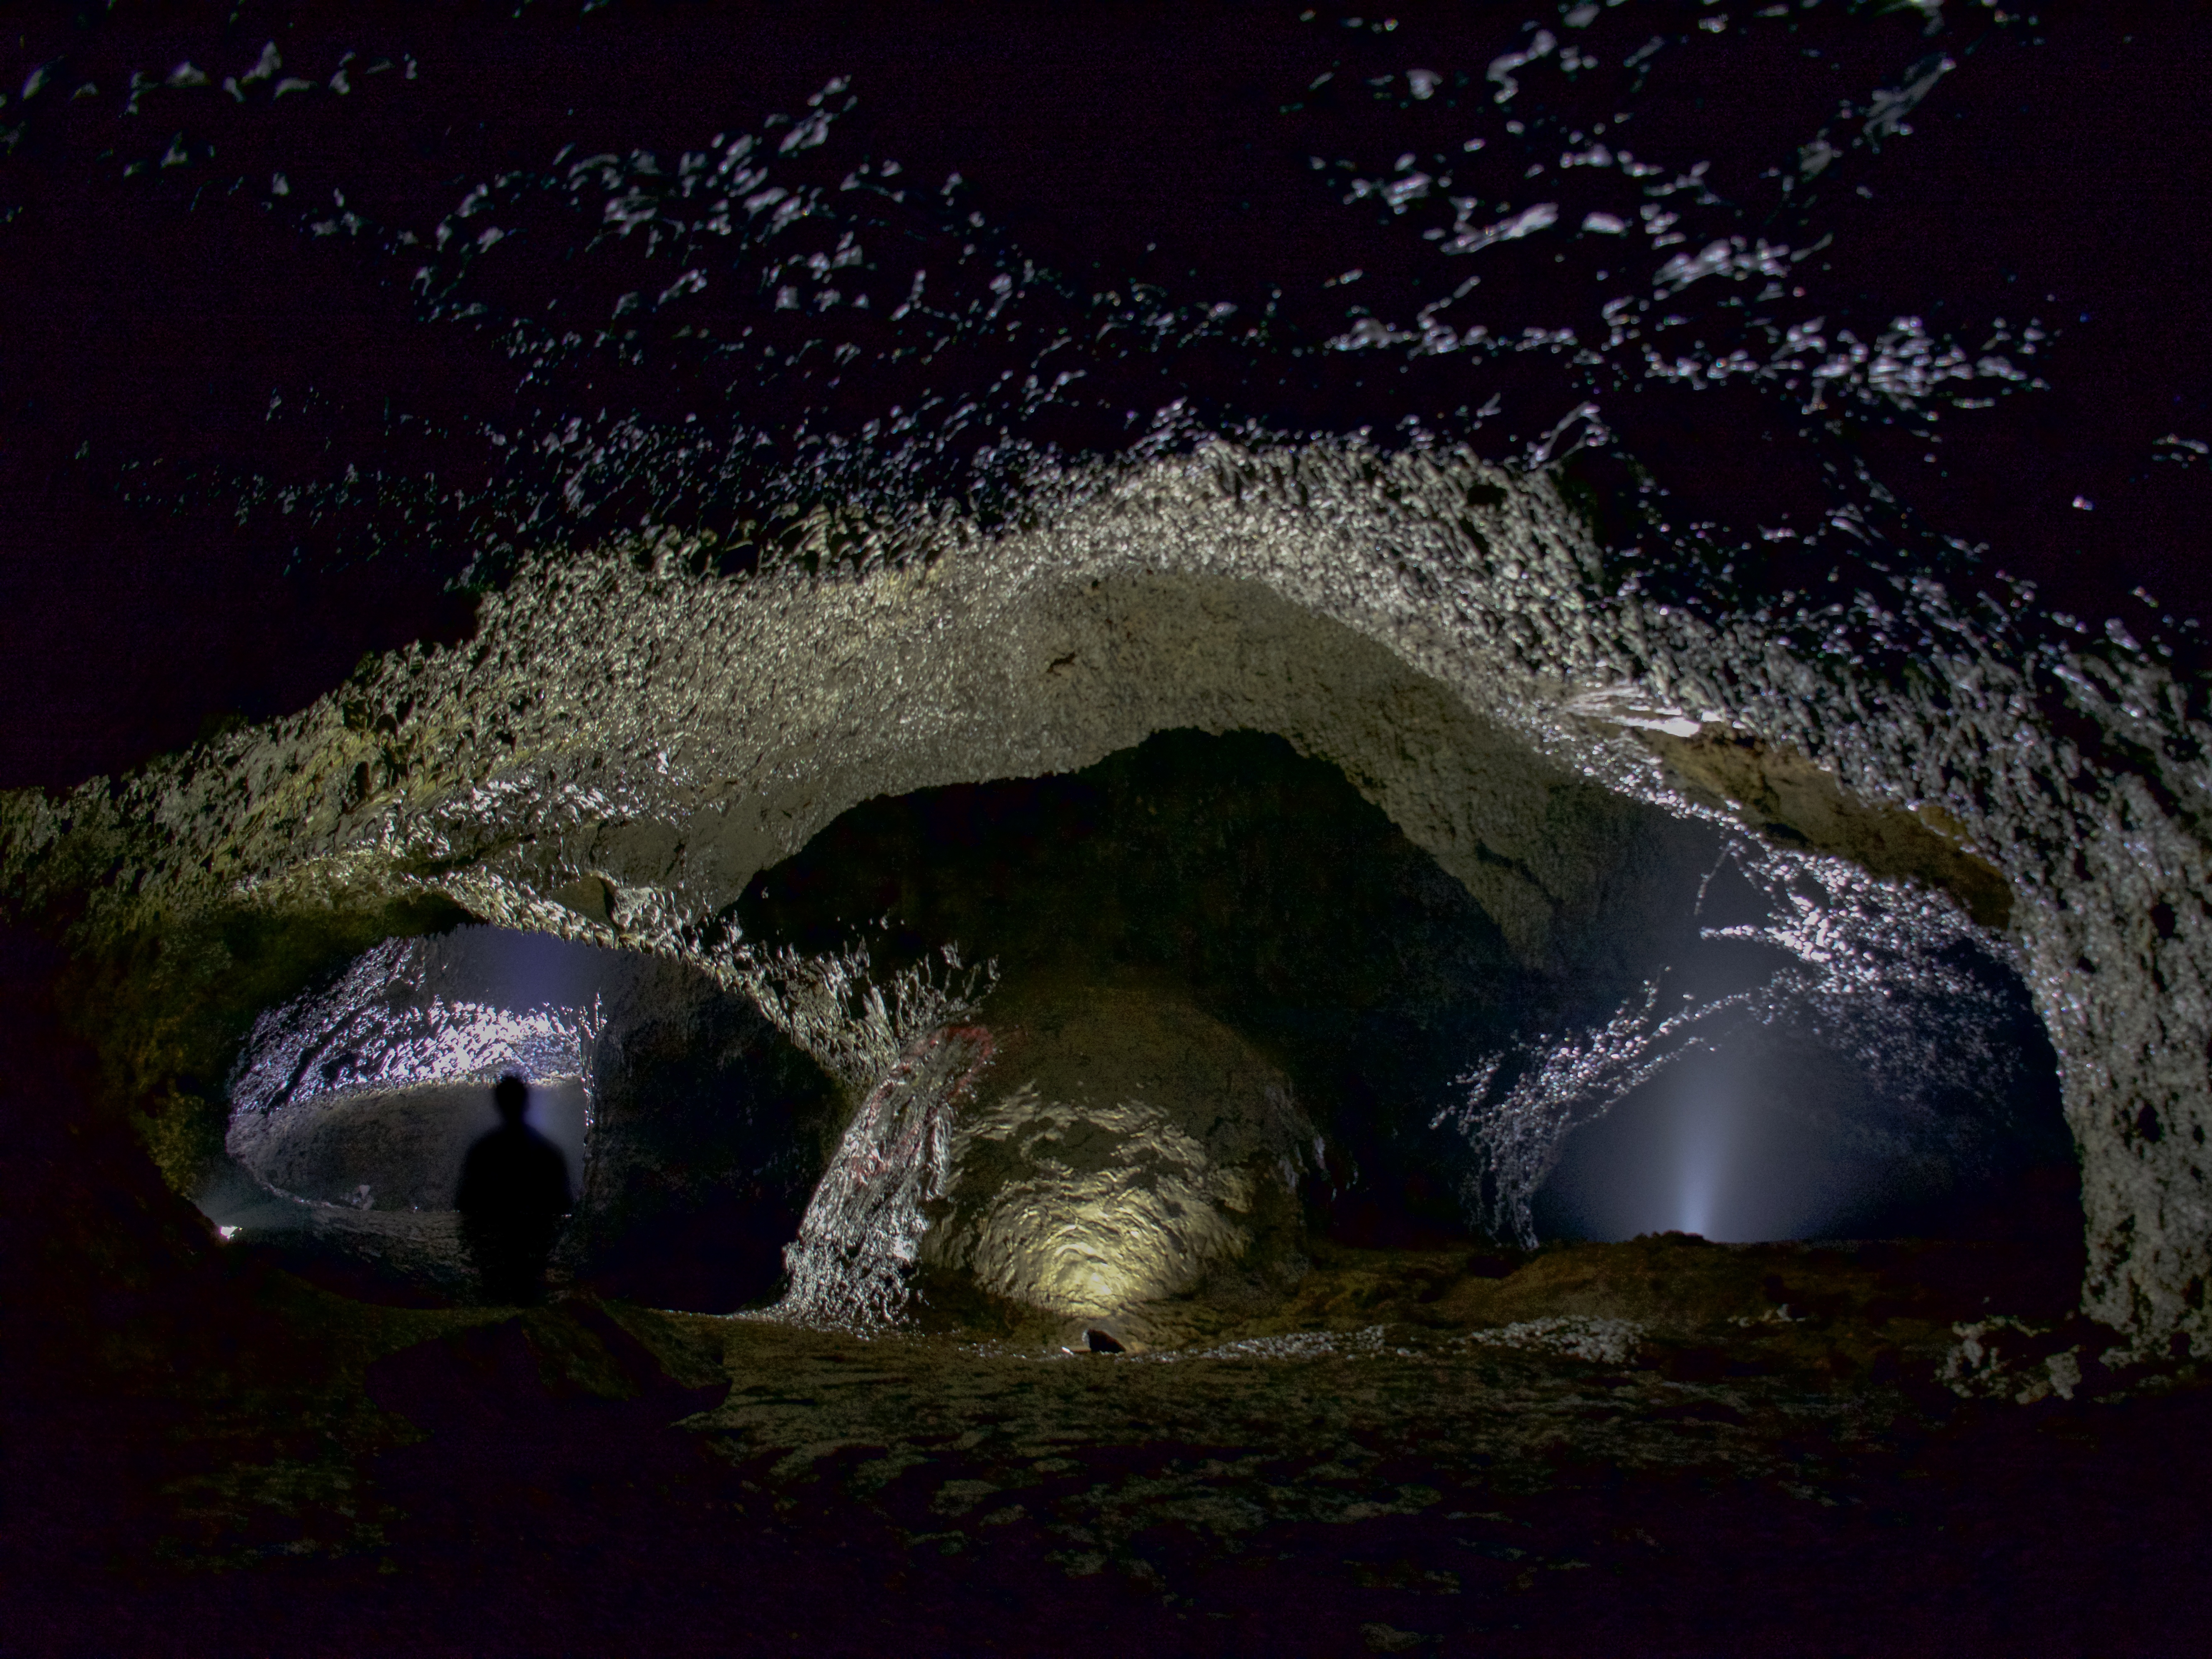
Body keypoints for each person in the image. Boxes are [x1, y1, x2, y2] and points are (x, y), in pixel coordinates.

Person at [456, 1073, 573, 1305]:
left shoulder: (483, 1151)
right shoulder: (549, 1152)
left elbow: (465, 1202)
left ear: (498, 1104)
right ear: (527, 1102)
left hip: (494, 1255)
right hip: (536, 1253)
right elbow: (564, 1205)